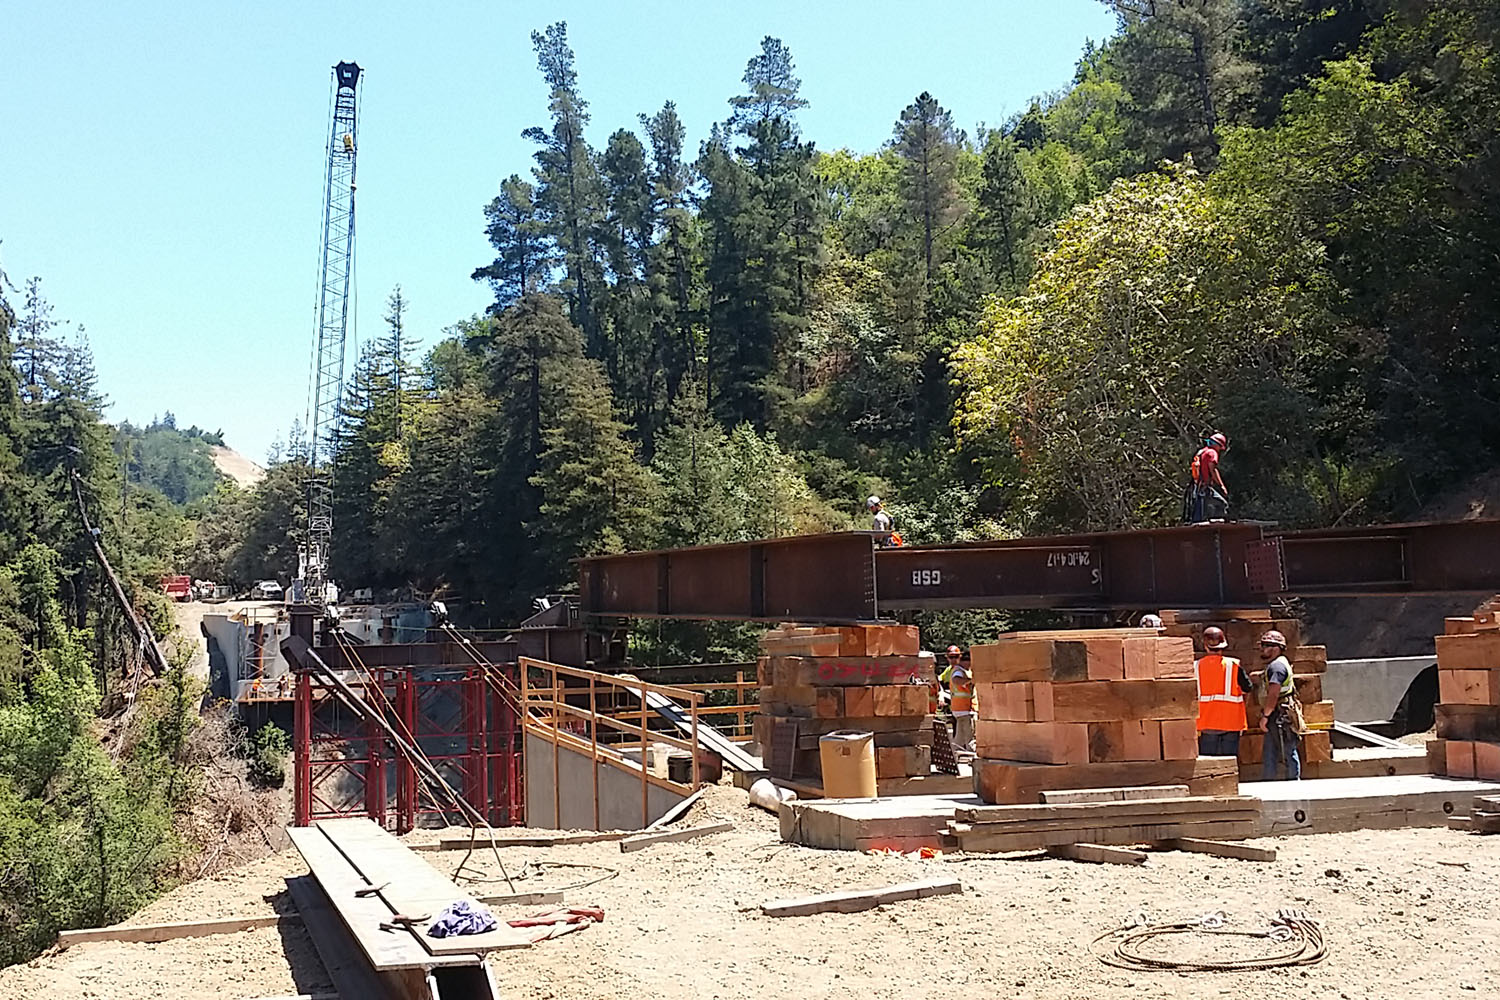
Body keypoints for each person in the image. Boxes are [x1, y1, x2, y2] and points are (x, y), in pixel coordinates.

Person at [1194, 626, 1253, 758]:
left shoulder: (1196, 667)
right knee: (1230, 762)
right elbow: (1247, 688)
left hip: (1206, 723)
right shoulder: (1234, 665)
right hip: (1231, 723)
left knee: (1208, 764)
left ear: (1205, 645)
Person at [1258, 629, 1301, 780]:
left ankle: (1293, 782)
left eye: (1267, 645)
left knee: (1288, 750)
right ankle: (1269, 781)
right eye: (1262, 645)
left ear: (1277, 648)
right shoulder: (1277, 664)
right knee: (1271, 751)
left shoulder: (1276, 667)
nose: (1263, 649)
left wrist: (1265, 716)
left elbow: (1273, 694)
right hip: (1278, 713)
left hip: (1279, 715)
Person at [1185, 432, 1230, 523]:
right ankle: (1217, 525)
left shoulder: (1201, 451)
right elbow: (1212, 469)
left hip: (1196, 487)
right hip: (1204, 487)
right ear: (1218, 445)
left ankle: (1197, 526)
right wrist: (1221, 486)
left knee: (1199, 511)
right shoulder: (1212, 453)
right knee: (1222, 504)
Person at [946, 645, 975, 750]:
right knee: (969, 736)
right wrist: (969, 681)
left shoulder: (958, 670)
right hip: (963, 709)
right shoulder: (959, 671)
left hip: (959, 709)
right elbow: (956, 680)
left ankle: (955, 752)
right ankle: (972, 753)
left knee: (960, 735)